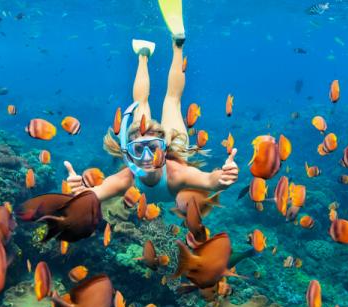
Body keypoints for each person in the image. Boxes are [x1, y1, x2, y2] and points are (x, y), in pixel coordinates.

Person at [63, 0, 239, 203]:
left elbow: (209, 180)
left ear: (164, 149)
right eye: (138, 149)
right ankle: (166, 49)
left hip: (175, 146)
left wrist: (222, 179)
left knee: (150, 101)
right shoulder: (125, 179)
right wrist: (80, 193)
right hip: (173, 142)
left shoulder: (176, 173)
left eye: (153, 148)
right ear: (129, 154)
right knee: (171, 102)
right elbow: (94, 195)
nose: (146, 157)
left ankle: (156, 52)